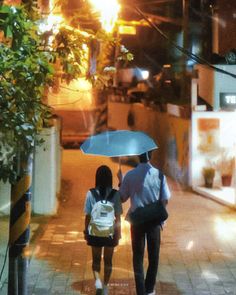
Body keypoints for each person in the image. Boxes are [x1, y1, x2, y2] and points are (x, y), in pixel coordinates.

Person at [118, 151, 171, 295]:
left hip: (137, 222)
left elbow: (122, 198)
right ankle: (149, 290)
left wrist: (121, 182)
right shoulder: (160, 175)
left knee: (138, 257)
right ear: (151, 156)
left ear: (138, 156)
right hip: (154, 221)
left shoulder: (130, 175)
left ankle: (140, 291)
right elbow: (165, 200)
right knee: (154, 257)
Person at [84, 165, 123, 295]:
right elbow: (117, 217)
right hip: (110, 234)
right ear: (110, 179)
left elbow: (88, 216)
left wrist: (86, 232)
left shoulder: (90, 193)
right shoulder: (115, 194)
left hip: (95, 233)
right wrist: (119, 233)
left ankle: (98, 284)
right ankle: (105, 286)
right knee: (108, 261)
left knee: (95, 261)